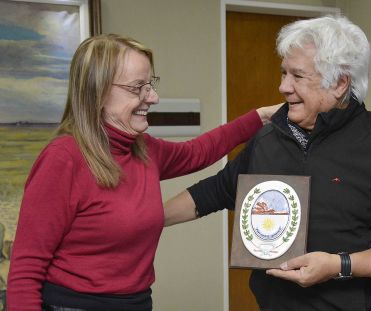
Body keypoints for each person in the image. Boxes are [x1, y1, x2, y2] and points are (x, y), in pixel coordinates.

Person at [164, 15, 371, 310]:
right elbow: (215, 191)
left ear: (339, 83)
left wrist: (341, 265)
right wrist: (146, 219)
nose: (283, 86)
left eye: (297, 76)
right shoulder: (268, 138)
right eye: (283, 73)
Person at [6, 34, 280, 311]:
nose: (153, 97)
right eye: (138, 87)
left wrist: (261, 117)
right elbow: (26, 269)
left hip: (137, 302)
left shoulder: (142, 149)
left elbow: (198, 152)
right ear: (97, 92)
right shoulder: (63, 159)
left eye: (150, 85)